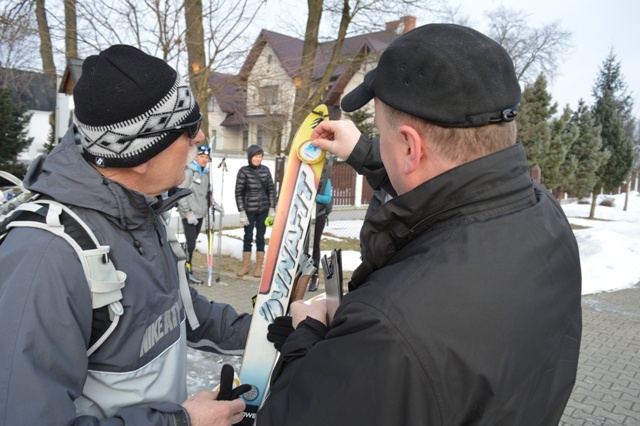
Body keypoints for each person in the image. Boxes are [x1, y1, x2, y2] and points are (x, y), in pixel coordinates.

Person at [258, 23, 582, 425]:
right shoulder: (544, 216)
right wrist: (364, 151)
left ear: (411, 147)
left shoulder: (389, 331)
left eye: (383, 133)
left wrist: (308, 341)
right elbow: (451, 186)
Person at [0, 45, 251, 425]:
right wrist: (181, 422)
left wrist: (274, 328)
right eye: (187, 128)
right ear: (142, 154)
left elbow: (179, 312)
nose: (199, 137)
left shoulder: (140, 211)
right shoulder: (47, 255)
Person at [177, 144, 223, 284]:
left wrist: (214, 205)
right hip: (189, 215)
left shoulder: (206, 173)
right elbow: (182, 193)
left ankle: (185, 268)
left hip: (200, 214)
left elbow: (207, 194)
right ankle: (186, 271)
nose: (204, 159)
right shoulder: (190, 171)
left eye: (206, 157)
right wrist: (187, 212)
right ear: (196, 157)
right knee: (190, 244)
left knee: (192, 244)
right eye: (201, 156)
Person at [234, 144, 276, 277]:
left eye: (260, 156)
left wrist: (272, 208)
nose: (258, 159)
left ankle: (259, 267)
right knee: (247, 236)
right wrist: (241, 211)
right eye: (255, 156)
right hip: (248, 210)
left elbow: (271, 190)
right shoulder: (243, 171)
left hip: (263, 209)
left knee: (260, 237)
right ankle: (245, 266)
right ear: (250, 157)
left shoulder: (266, 170)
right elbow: (238, 192)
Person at [307, 164, 333, 292]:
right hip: (305, 216)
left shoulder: (325, 179)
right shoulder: (306, 176)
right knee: (305, 246)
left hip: (319, 215)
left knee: (314, 245)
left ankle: (314, 276)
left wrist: (315, 197)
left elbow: (327, 198)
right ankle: (303, 274)